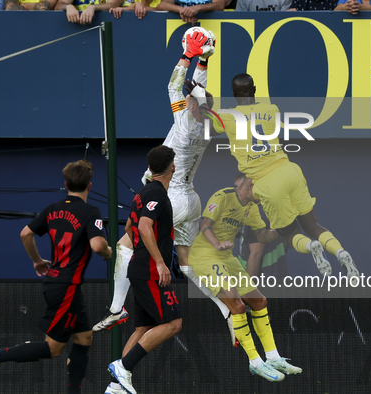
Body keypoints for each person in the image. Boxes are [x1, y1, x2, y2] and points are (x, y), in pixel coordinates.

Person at [94, 28, 236, 346]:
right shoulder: (200, 120)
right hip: (189, 198)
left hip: (171, 196)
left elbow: (178, 86)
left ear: (195, 107)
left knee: (125, 246)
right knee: (186, 261)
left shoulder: (188, 124)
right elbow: (190, 91)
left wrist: (189, 55)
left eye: (190, 100)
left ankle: (117, 308)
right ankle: (225, 309)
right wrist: (205, 60)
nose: (184, 98)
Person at [0, 159, 112, 394]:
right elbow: (98, 246)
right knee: (53, 349)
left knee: (84, 337)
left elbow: (25, 233)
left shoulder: (53, 208)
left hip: (64, 285)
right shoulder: (90, 211)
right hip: (66, 287)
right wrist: (108, 252)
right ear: (90, 186)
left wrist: (37, 260)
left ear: (65, 184)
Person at [214, 73, 359, 280]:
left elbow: (204, 121)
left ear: (234, 94)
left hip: (267, 183)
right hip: (290, 170)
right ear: (254, 90)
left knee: (290, 234)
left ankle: (311, 247)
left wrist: (204, 102)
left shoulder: (227, 117)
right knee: (312, 225)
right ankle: (340, 251)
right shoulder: (272, 110)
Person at [188, 174, 301, 382]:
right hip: (205, 256)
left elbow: (262, 236)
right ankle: (255, 363)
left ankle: (273, 358)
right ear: (250, 186)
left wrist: (282, 229)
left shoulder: (252, 208)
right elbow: (205, 224)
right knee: (238, 306)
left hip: (226, 258)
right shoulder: (223, 196)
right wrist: (216, 244)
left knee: (260, 301)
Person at [105, 145, 181, 394]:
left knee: (143, 329)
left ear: (150, 168)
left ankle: (116, 387)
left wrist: (141, 251)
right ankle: (123, 367)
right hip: (149, 270)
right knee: (173, 324)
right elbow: (144, 227)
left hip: (139, 267)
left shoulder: (143, 192)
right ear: (173, 167)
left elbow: (130, 226)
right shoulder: (157, 193)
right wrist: (159, 261)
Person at [155, 0, 224, 25]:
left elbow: (220, 5)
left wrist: (198, 8)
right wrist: (183, 10)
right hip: (181, 26)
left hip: (209, 27)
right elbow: (162, 5)